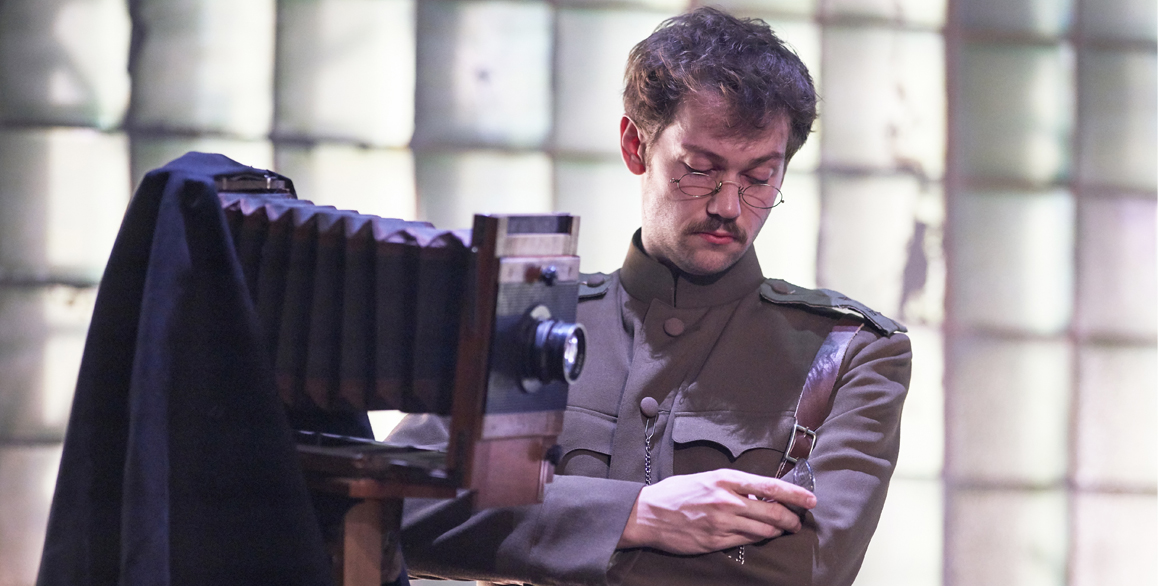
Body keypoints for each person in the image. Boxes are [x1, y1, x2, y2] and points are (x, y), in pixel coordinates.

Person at [399, 7, 911, 585]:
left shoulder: (848, 351)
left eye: (759, 177)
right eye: (699, 168)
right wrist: (639, 516)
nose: (728, 205)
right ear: (634, 145)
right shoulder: (528, 322)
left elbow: (807, 568)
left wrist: (540, 532)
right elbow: (402, 507)